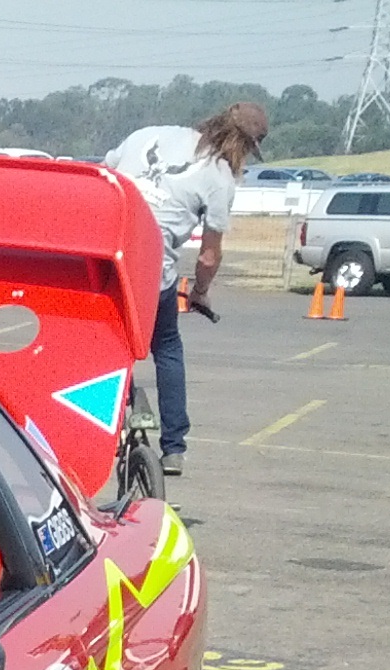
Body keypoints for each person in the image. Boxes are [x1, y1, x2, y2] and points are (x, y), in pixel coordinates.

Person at [104, 103, 269, 477]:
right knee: (166, 347)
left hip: (105, 261)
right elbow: (209, 256)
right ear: (243, 145)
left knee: (109, 345)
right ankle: (174, 447)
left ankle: (105, 425)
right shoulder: (220, 177)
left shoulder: (149, 134)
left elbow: (103, 180)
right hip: (150, 270)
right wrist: (200, 292)